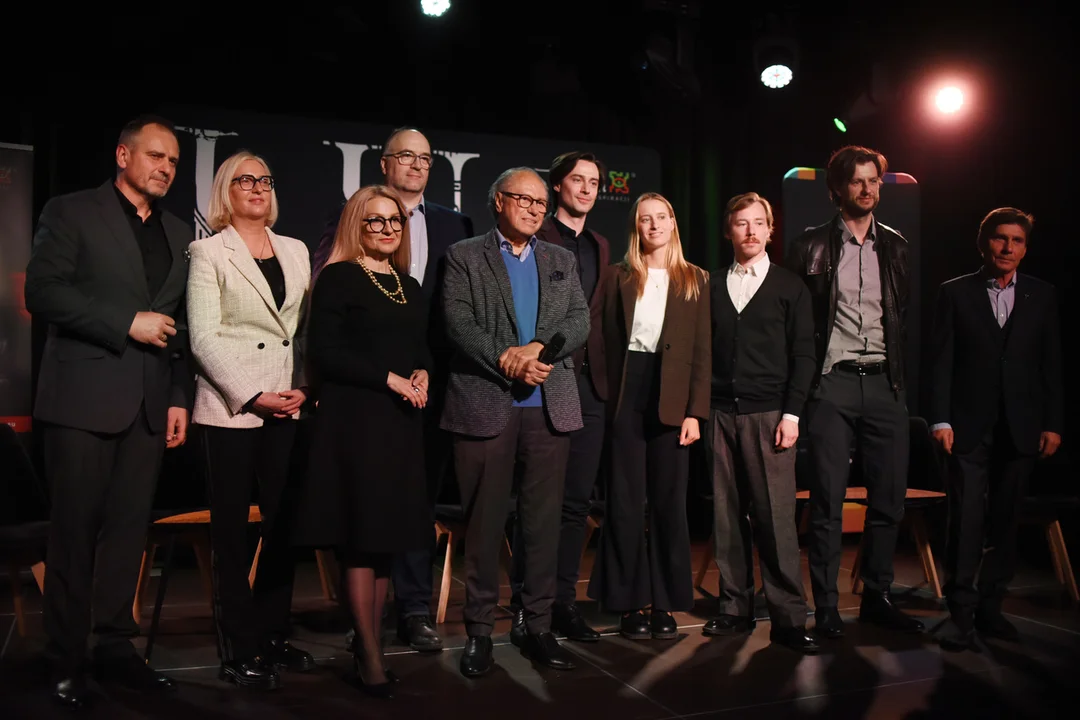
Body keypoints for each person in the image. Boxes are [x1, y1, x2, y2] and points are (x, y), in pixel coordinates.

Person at [25, 115, 192, 708]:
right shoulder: (70, 211)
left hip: (148, 406)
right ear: (123, 155)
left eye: (173, 160)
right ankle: (64, 656)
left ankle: (116, 648)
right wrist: (125, 324)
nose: (166, 167)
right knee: (73, 535)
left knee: (127, 536)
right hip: (81, 400)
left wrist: (176, 397)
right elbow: (42, 292)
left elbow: (176, 327)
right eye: (155, 156)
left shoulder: (176, 231)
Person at [313, 127, 473, 653]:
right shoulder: (341, 264)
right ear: (384, 164)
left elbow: (433, 329)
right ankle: (370, 635)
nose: (417, 165)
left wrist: (424, 372)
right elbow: (327, 344)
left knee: (411, 513)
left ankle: (414, 608)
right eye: (406, 156)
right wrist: (390, 379)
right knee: (367, 527)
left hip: (423, 398)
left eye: (427, 158)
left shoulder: (453, 229)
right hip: (363, 408)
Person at [441, 167, 590, 677]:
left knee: (542, 526)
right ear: (497, 201)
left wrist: (537, 352)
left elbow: (578, 320)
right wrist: (509, 358)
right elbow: (458, 322)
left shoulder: (560, 259)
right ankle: (480, 630)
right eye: (523, 199)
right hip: (485, 404)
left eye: (541, 202)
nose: (533, 208)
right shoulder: (464, 256)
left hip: (549, 408)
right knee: (483, 526)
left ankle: (537, 625)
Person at [294, 185, 433, 699]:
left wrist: (422, 372)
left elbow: (421, 348)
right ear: (357, 225)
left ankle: (369, 644)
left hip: (400, 425)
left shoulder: (409, 285)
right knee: (360, 537)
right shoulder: (337, 278)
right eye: (374, 221)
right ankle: (369, 652)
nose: (386, 229)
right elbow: (326, 355)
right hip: (355, 423)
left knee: (384, 539)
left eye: (393, 220)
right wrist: (390, 379)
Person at [186, 151, 315, 689]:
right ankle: (238, 645)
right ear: (226, 191)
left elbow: (304, 330)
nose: (257, 188)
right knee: (233, 534)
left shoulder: (296, 249)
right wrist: (252, 394)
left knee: (285, 526)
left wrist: (303, 388)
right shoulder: (208, 251)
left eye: (264, 179)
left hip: (289, 404)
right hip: (232, 408)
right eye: (245, 180)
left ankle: (273, 635)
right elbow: (203, 336)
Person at [786, 145, 924, 638]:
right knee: (827, 502)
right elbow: (797, 325)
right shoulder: (809, 247)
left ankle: (878, 596)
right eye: (858, 182)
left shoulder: (896, 246)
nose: (868, 190)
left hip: (885, 384)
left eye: (874, 181)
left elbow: (901, 316)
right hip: (833, 384)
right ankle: (825, 605)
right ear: (837, 190)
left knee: (889, 500)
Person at [929, 207, 1063, 651]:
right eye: (1000, 239)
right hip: (967, 426)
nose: (1008, 248)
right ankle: (960, 614)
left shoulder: (1042, 296)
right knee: (965, 522)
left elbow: (1051, 367)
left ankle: (991, 609)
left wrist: (1053, 424)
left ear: (1025, 247)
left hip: (1022, 427)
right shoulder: (955, 293)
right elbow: (941, 361)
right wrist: (941, 418)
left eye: (1017, 241)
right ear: (984, 242)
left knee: (1005, 523)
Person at [587, 192, 710, 641]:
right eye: (645, 219)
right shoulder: (616, 275)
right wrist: (605, 397)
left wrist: (696, 412)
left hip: (673, 397)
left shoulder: (695, 279)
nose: (654, 226)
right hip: (627, 393)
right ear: (635, 227)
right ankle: (626, 603)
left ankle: (664, 603)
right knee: (623, 503)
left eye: (661, 218)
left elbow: (702, 352)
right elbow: (600, 342)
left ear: (673, 223)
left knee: (668, 504)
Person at [703, 192, 818, 653]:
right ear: (728, 230)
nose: (750, 231)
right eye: (741, 223)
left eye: (759, 223)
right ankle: (734, 607)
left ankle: (789, 616)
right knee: (726, 516)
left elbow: (804, 356)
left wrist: (792, 414)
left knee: (775, 519)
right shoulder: (709, 285)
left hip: (770, 414)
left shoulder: (790, 287)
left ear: (771, 230)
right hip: (718, 414)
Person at [510, 151, 611, 644]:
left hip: (589, 389)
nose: (588, 188)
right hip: (542, 382)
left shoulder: (599, 244)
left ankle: (564, 602)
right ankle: (528, 605)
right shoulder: (535, 237)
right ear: (557, 187)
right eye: (578, 179)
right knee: (537, 503)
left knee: (576, 504)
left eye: (595, 181)